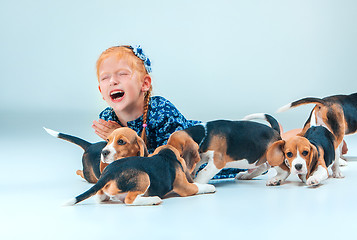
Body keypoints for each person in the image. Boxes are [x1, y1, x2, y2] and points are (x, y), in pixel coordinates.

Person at [92, 44, 241, 179]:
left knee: (244, 150)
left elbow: (168, 163)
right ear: (101, 91)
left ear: (144, 84)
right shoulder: (107, 118)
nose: (112, 81)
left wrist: (123, 134)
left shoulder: (161, 111)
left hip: (206, 149)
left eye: (122, 74)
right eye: (105, 78)